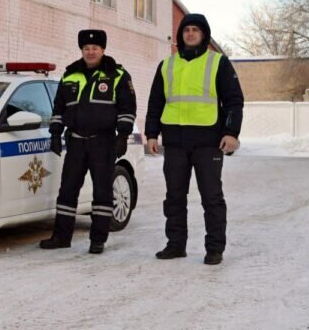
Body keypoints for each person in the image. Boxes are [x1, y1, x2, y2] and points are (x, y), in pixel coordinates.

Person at [145, 13, 243, 265]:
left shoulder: (218, 62)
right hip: (175, 141)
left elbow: (234, 100)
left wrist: (231, 133)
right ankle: (176, 245)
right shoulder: (167, 64)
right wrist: (152, 133)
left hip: (208, 141)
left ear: (203, 35)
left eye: (195, 30)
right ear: (180, 35)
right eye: (186, 29)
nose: (190, 33)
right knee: (174, 197)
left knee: (211, 197)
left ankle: (214, 249)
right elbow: (156, 101)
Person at [40, 29, 137, 254]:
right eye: (86, 48)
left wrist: (122, 135)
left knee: (102, 192)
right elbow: (58, 108)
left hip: (103, 142)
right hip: (76, 141)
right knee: (67, 191)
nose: (90, 52)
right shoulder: (70, 74)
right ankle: (61, 236)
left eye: (95, 48)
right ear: (81, 50)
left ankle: (98, 240)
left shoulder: (118, 75)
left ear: (103, 49)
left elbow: (127, 108)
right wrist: (55, 133)